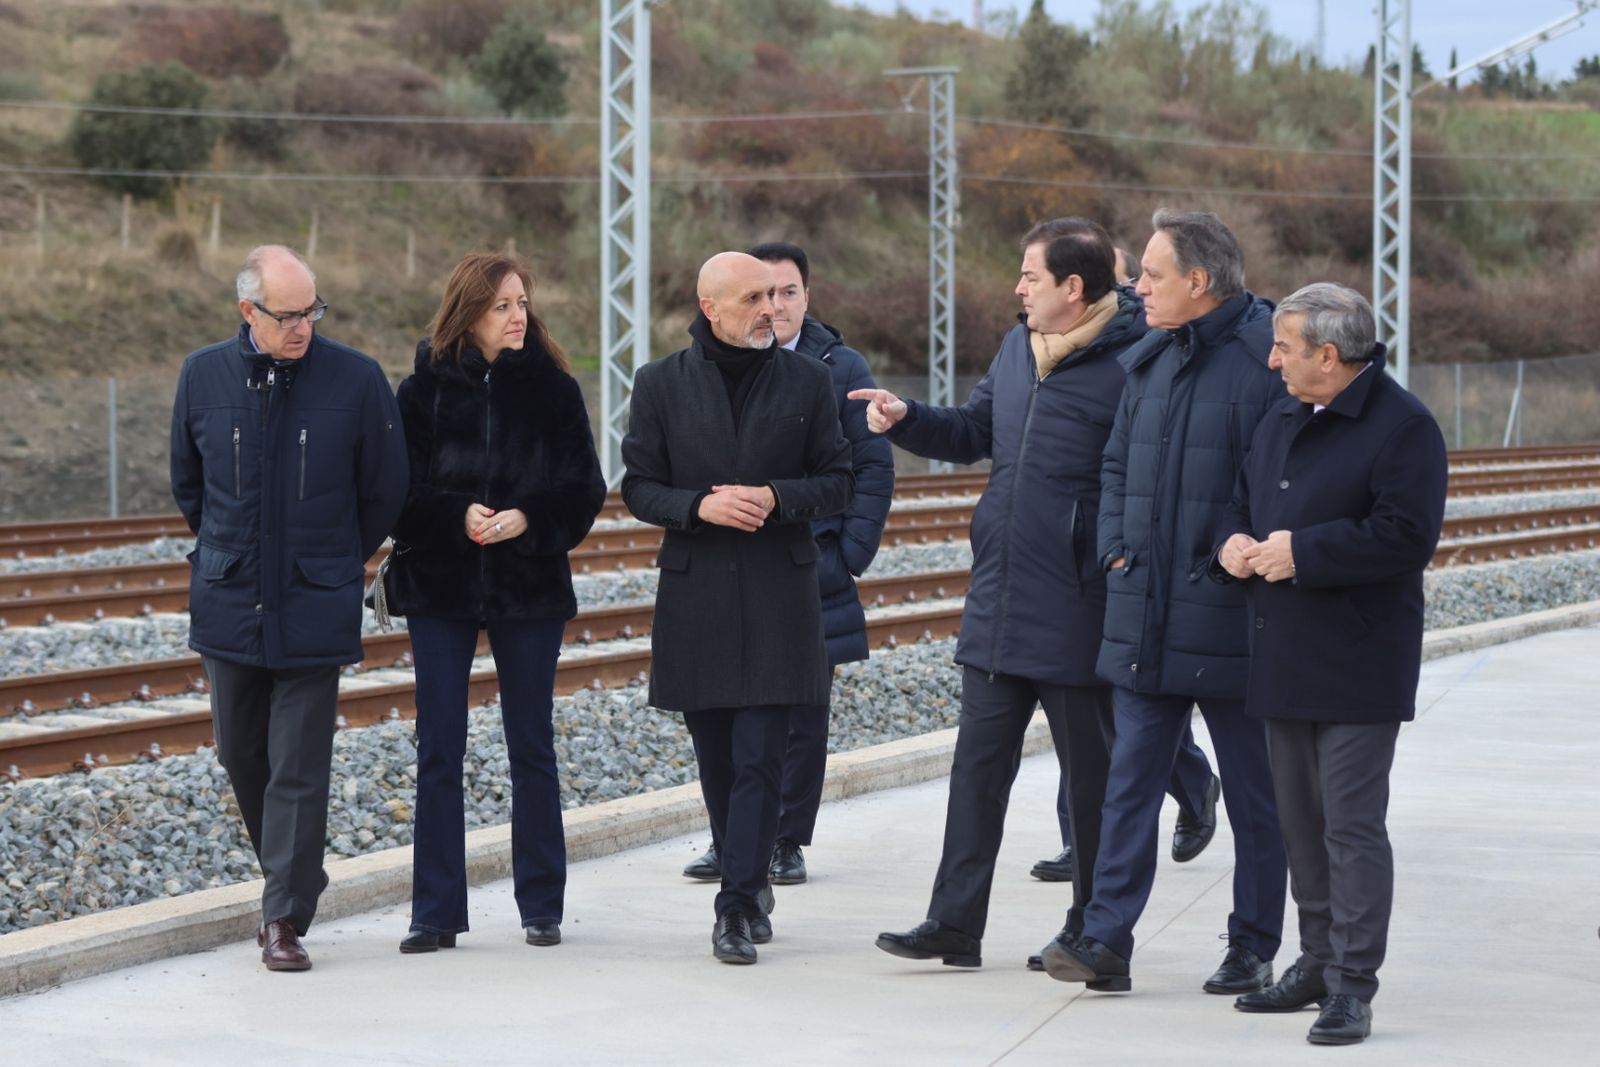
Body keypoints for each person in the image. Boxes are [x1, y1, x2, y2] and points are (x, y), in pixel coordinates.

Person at [855, 218, 1138, 972]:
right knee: (976, 772)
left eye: (1029, 276)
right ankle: (954, 922)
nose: (1017, 287)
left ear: (1073, 289)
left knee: (1091, 783)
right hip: (1000, 599)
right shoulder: (1019, 347)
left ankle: (1092, 927)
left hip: (1080, 605)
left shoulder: (1135, 360)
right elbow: (976, 428)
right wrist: (906, 418)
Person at [1043, 209, 1288, 994]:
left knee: (1256, 796)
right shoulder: (1150, 355)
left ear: (1199, 281)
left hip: (1234, 615)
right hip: (1144, 609)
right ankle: (1105, 938)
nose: (1134, 285)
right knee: (1129, 785)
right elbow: (1116, 465)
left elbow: (1287, 482)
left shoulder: (1269, 358)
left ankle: (1252, 942)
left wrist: (1231, 560)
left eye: (1149, 274)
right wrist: (1117, 546)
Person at [1215, 283, 1446, 1045]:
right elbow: (1240, 500)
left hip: (1357, 658)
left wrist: (1301, 552)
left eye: (1284, 346)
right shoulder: (1282, 412)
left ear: (1329, 353)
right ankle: (1314, 961)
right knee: (1299, 824)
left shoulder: (1403, 425)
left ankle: (1352, 984)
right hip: (1282, 649)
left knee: (1350, 827)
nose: (1271, 357)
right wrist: (1234, 544)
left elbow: (1406, 535)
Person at [169, 244, 407, 971]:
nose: (302, 325)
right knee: (241, 751)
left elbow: (385, 488)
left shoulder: (357, 379)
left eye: (312, 311)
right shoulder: (203, 374)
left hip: (314, 599)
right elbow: (189, 483)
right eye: (287, 314)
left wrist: (334, 562)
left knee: (298, 765)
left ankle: (284, 915)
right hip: (230, 595)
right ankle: (297, 871)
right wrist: (232, 549)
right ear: (249, 312)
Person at [622, 251, 854, 964]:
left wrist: (779, 498)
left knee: (761, 754)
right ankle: (749, 881)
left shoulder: (810, 380)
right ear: (710, 306)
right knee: (718, 759)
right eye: (752, 297)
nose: (770, 309)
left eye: (775, 297)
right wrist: (700, 505)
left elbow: (839, 478)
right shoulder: (659, 383)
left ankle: (735, 901)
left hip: (781, 591)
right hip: (697, 595)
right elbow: (638, 487)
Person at [387, 252, 606, 954]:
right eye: (502, 305)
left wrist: (524, 518)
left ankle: (541, 903)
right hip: (440, 586)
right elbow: (396, 494)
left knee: (531, 743)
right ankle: (435, 911)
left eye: (521, 302)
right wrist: (456, 515)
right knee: (440, 746)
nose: (518, 316)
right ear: (469, 313)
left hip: (528, 582)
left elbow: (583, 490)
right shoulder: (419, 393)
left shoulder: (554, 390)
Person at [680, 242, 894, 887]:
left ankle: (786, 838)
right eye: (762, 293)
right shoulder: (700, 371)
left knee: (803, 712)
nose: (775, 304)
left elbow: (868, 469)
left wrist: (847, 557)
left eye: (788, 291)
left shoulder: (836, 366)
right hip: (735, 571)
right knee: (736, 717)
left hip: (815, 564)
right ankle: (738, 842)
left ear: (806, 296)